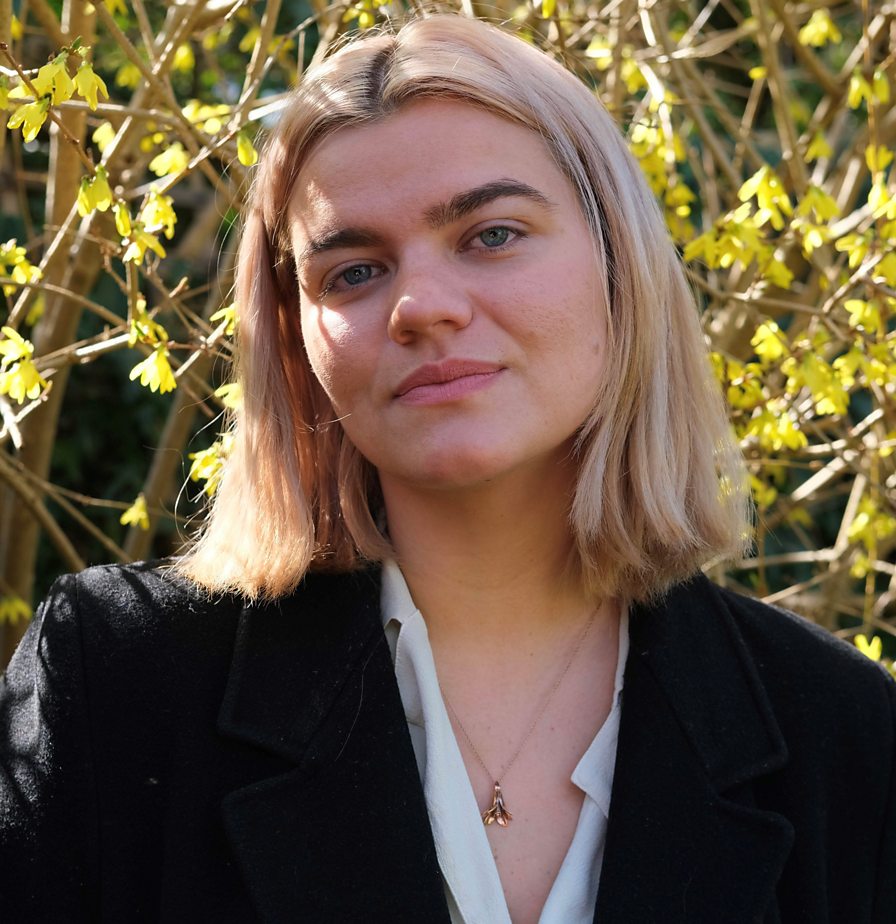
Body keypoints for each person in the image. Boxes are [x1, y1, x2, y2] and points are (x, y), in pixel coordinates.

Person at [1, 14, 894, 924]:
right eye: (352, 272)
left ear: (619, 265)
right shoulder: (118, 683)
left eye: (492, 235)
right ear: (294, 339)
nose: (421, 307)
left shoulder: (840, 734)